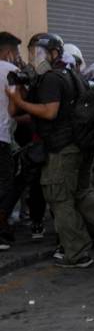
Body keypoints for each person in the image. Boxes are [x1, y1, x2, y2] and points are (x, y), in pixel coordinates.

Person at [7, 33, 94, 268]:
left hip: (62, 148)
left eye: (38, 53)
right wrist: (18, 88)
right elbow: (15, 112)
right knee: (82, 194)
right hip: (79, 147)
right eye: (32, 53)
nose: (34, 58)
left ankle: (77, 253)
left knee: (60, 199)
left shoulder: (52, 79)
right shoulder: (71, 75)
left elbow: (48, 112)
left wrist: (20, 101)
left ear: (53, 53)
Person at [0, 32, 21, 250]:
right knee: (6, 184)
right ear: (8, 52)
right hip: (1, 136)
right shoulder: (11, 72)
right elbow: (15, 108)